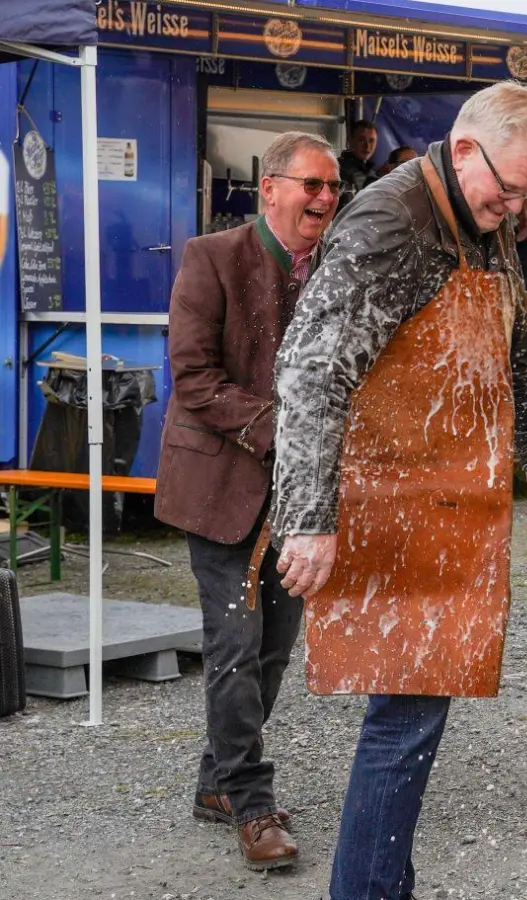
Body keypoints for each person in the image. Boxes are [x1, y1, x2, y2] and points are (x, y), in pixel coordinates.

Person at [269, 82, 527, 900]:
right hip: (386, 502)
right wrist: (307, 518)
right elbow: (309, 370)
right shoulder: (389, 221)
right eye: (504, 189)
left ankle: (382, 886)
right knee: (402, 724)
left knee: (419, 717)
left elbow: (518, 333)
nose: (512, 208)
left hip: (453, 503)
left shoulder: (483, 217)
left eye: (526, 194)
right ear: (462, 148)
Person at [153, 131, 342, 871]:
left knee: (271, 648)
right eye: (311, 185)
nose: (324, 198)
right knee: (234, 647)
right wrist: (283, 430)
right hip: (222, 487)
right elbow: (193, 378)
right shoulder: (211, 257)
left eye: (332, 188)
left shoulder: (335, 268)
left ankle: (216, 785)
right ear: (270, 188)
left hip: (302, 500)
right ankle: (253, 804)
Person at [337, 119, 379, 196]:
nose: (367, 146)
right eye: (361, 140)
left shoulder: (373, 173)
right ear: (350, 140)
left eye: (371, 140)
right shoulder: (337, 171)